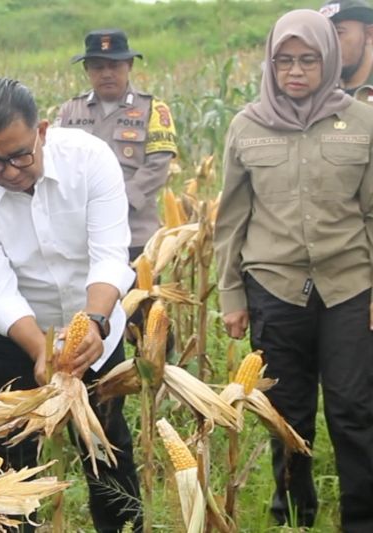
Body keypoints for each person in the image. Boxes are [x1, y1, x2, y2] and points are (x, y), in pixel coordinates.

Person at [0, 78, 141, 533]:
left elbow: (110, 254)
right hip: (13, 334)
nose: (10, 171)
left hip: (93, 325)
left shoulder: (90, 159)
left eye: (19, 155)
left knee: (105, 444)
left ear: (43, 131)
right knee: (7, 451)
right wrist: (38, 349)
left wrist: (93, 323)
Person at [215, 9, 373, 531]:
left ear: (328, 59)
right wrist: (232, 296)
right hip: (275, 289)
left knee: (352, 409)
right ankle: (295, 515)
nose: (296, 71)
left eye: (308, 60)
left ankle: (361, 517)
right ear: (271, 63)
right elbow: (231, 218)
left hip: (349, 285)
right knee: (286, 414)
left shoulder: (363, 122)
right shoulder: (247, 125)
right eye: (285, 61)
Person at [55, 29, 177, 260]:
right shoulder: (70, 111)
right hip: (82, 236)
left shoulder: (153, 109)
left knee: (141, 296)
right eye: (98, 67)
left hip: (136, 235)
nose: (107, 74)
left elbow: (157, 167)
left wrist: (117, 203)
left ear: (129, 65)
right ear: (86, 70)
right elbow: (56, 163)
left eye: (115, 66)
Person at [320, 0, 373, 99]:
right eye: (324, 35)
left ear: (369, 34)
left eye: (338, 33)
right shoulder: (317, 90)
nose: (329, 43)